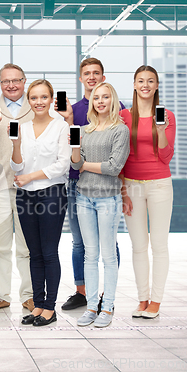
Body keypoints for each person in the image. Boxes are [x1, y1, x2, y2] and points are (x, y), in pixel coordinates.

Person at [62, 57, 125, 311]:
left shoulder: (118, 108)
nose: (91, 77)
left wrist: (124, 185)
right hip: (77, 185)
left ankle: (106, 295)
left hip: (107, 186)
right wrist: (67, 120)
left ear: (103, 77)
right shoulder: (74, 109)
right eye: (86, 73)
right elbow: (72, 148)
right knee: (80, 243)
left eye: (96, 73)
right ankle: (83, 292)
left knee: (109, 245)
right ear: (81, 78)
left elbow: (119, 155)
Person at [12, 79, 71, 327]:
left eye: (43, 97)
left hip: (51, 194)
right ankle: (37, 304)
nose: (39, 102)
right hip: (25, 195)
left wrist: (30, 177)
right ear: (28, 99)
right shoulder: (21, 127)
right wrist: (15, 145)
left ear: (51, 99)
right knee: (32, 253)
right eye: (34, 97)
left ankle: (50, 308)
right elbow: (17, 166)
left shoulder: (62, 127)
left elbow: (62, 165)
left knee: (48, 252)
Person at [70, 82, 130, 327]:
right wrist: (75, 149)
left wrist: (85, 164)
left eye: (106, 97)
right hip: (83, 197)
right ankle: (92, 307)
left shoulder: (120, 130)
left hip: (107, 198)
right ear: (92, 102)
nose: (101, 101)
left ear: (112, 100)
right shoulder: (84, 130)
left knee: (108, 255)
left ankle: (107, 308)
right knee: (90, 255)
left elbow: (114, 167)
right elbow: (75, 165)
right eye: (97, 98)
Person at [119, 65, 176, 319]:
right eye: (140, 81)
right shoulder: (123, 116)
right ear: (134, 84)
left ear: (156, 86)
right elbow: (119, 155)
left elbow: (166, 156)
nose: (145, 85)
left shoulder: (168, 116)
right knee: (138, 246)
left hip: (159, 184)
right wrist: (123, 189)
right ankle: (142, 299)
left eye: (150, 81)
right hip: (130, 184)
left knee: (159, 245)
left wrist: (160, 131)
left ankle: (156, 300)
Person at [0, 63, 34, 312]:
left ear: (24, 81)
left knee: (28, 245)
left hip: (29, 186)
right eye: (5, 81)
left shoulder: (35, 106)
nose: (11, 85)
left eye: (16, 80)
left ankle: (29, 295)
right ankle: (1, 294)